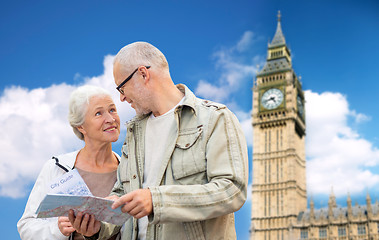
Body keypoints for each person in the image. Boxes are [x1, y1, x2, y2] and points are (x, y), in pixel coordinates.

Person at [69, 42, 249, 240]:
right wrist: (97, 227)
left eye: (121, 87)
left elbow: (232, 190)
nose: (121, 98)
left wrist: (157, 200)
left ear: (143, 74)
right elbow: (122, 194)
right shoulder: (133, 132)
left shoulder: (215, 119)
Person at [17, 85, 122, 240]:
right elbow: (26, 227)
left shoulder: (128, 170)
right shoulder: (56, 167)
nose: (111, 119)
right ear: (81, 126)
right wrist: (57, 230)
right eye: (99, 113)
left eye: (112, 110)